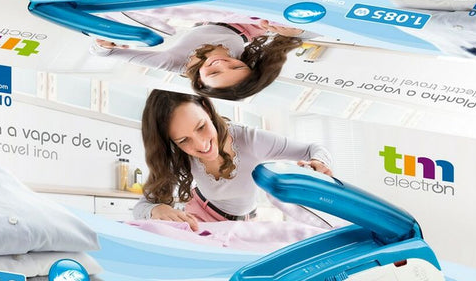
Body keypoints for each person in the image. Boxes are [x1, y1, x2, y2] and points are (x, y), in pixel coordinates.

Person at [134, 90, 332, 230]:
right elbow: (141, 207)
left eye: (201, 127)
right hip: (198, 216)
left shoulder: (251, 140)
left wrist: (319, 163)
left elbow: (314, 149)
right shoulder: (178, 154)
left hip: (245, 222)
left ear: (207, 109)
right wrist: (156, 209)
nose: (202, 145)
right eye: (184, 140)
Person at [90, 13, 311, 99]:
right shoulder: (248, 58)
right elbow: (292, 38)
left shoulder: (174, 63)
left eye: (214, 72)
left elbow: (106, 53)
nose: (221, 63)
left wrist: (102, 43)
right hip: (250, 24)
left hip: (214, 14)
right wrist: (295, 32)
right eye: (236, 66)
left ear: (199, 82)